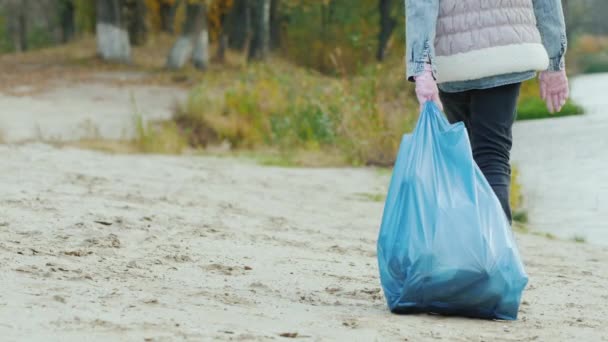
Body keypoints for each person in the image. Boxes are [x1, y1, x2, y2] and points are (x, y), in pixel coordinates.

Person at [406, 0, 569, 223]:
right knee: (492, 155)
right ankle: (498, 249)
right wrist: (554, 61)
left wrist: (421, 67)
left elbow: (420, 5)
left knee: (469, 158)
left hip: (453, 55)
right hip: (508, 48)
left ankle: (478, 246)